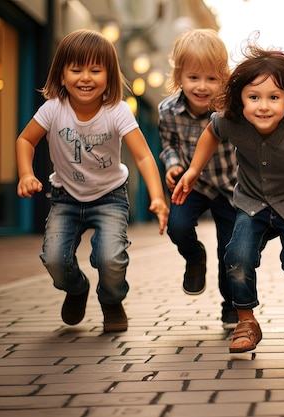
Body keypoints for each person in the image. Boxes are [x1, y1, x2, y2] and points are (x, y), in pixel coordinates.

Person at [171, 41, 284, 353]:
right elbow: (211, 133)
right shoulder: (232, 121)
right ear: (241, 98)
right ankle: (246, 320)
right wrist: (193, 170)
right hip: (250, 203)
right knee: (236, 258)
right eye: (254, 97)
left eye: (273, 98)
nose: (263, 106)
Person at [15, 29, 169, 332]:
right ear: (61, 75)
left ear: (109, 77)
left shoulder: (118, 111)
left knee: (111, 258)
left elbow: (144, 157)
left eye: (96, 70)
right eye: (76, 69)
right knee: (55, 260)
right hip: (65, 197)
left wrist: (157, 197)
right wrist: (25, 174)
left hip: (110, 196)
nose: (86, 77)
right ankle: (76, 288)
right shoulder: (53, 109)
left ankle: (111, 301)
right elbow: (25, 140)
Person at [158, 29, 238, 329]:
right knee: (177, 227)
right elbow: (168, 145)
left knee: (230, 249)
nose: (202, 87)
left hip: (230, 186)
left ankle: (231, 304)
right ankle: (194, 256)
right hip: (192, 185)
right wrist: (173, 165)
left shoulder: (233, 110)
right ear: (179, 76)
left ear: (224, 79)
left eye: (211, 79)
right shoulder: (167, 111)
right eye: (194, 77)